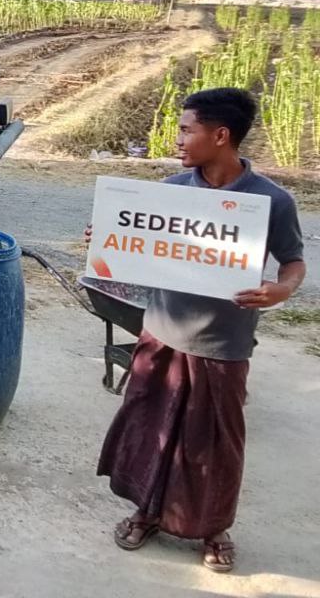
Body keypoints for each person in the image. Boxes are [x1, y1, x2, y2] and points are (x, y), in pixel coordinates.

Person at [96, 88, 305, 574]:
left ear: (221, 135)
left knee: (214, 444)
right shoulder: (169, 191)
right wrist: (107, 239)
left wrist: (282, 289)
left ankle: (213, 528)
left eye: (187, 129)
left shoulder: (271, 201)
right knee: (150, 431)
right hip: (162, 334)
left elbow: (294, 261)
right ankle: (146, 512)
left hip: (222, 346)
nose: (179, 138)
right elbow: (131, 246)